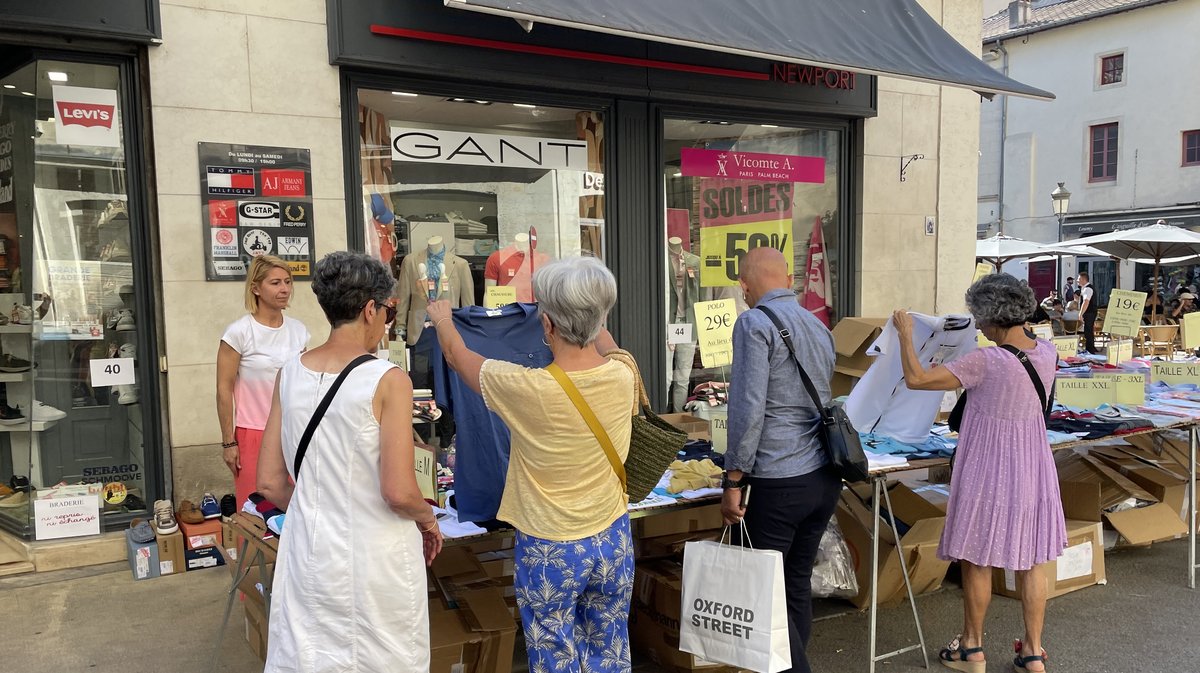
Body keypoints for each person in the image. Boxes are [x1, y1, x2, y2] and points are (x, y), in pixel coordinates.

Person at [427, 256, 635, 673]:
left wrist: (441, 317)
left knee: (554, 653)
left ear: (548, 325)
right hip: (613, 536)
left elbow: (456, 356)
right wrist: (589, 306)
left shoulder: (526, 387)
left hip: (550, 545)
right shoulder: (624, 371)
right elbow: (606, 340)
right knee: (610, 646)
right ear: (600, 317)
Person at [257, 251, 441, 672]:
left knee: (309, 656)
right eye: (388, 311)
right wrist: (428, 522)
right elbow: (398, 491)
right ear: (370, 308)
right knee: (382, 657)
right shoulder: (388, 379)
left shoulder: (289, 373)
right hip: (376, 556)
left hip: (308, 550)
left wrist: (318, 509)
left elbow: (269, 483)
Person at [891, 273, 1065, 673]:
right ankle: (1033, 653)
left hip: (988, 468)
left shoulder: (986, 361)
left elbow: (917, 379)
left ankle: (971, 648)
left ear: (993, 317)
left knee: (977, 559)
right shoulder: (1048, 353)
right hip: (1034, 467)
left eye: (981, 319)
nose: (980, 328)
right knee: (1033, 559)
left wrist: (904, 334)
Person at [720, 247, 840, 673]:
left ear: (745, 284)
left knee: (764, 596)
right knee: (794, 588)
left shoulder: (753, 322)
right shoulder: (816, 324)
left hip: (777, 477)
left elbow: (747, 409)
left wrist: (733, 479)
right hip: (822, 476)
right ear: (786, 277)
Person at [216, 255, 310, 505]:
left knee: (294, 508)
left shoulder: (299, 331)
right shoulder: (239, 333)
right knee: (255, 511)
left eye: (288, 282)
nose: (284, 289)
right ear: (256, 288)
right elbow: (223, 390)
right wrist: (228, 442)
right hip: (253, 432)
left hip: (292, 430)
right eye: (276, 283)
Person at [1077, 272, 1099, 354]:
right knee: (1089, 331)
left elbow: (1086, 302)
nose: (1077, 281)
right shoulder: (1087, 288)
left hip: (1089, 313)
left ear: (1083, 279)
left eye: (1079, 279)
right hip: (1091, 312)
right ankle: (1091, 347)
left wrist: (1081, 313)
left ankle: (1090, 349)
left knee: (1088, 331)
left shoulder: (1087, 289)